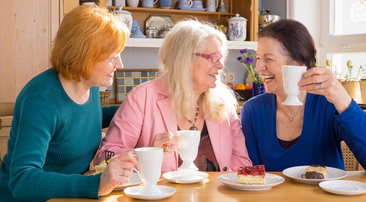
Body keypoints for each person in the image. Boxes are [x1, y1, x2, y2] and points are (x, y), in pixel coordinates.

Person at [0, 6, 137, 201]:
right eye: (112, 58)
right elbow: (22, 180)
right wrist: (97, 184)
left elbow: (82, 120)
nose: (120, 65)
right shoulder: (41, 99)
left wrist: (138, 107)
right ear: (85, 55)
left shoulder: (88, 84)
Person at [94, 20, 252, 172]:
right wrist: (148, 154)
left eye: (221, 57)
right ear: (183, 59)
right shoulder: (141, 98)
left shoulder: (223, 102)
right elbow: (104, 158)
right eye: (213, 58)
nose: (221, 65)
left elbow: (242, 162)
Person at [241, 19, 366, 173]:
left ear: (298, 63)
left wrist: (342, 99)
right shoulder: (252, 110)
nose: (259, 68)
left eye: (268, 59)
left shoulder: (328, 104)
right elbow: (253, 178)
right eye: (258, 58)